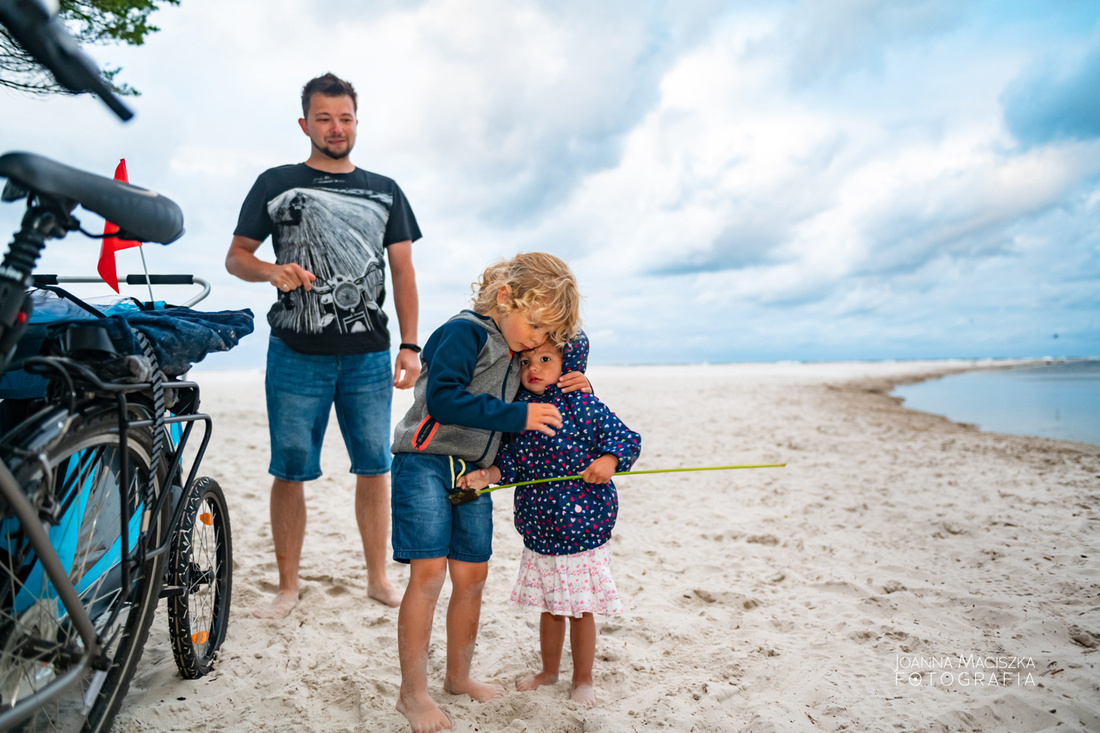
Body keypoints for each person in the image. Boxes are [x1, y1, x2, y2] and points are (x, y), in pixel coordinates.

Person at [226, 72, 420, 619]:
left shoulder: (385, 189)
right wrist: (270, 271)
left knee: (374, 466)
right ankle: (288, 586)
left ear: (357, 121)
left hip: (367, 356)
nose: (336, 128)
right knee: (289, 468)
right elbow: (236, 256)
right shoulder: (276, 181)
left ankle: (378, 578)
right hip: (294, 353)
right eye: (324, 118)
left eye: (345, 118)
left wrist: (410, 344)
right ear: (305, 123)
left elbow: (403, 271)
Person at [389, 252, 588, 733]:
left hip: (474, 471)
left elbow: (570, 344)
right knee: (429, 574)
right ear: (504, 296)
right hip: (425, 461)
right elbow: (444, 397)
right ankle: (412, 694)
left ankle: (458, 677)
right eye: (535, 325)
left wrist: (580, 378)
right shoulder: (465, 332)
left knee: (473, 576)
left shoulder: (518, 341)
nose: (538, 341)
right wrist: (517, 417)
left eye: (546, 335)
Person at [457, 332, 641, 707]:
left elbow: (626, 439)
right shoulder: (521, 413)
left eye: (545, 360)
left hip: (582, 532)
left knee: (579, 610)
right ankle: (550, 671)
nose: (533, 369)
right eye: (525, 362)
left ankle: (584, 679)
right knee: (550, 608)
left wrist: (608, 462)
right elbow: (512, 463)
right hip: (541, 532)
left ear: (567, 365)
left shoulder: (582, 405)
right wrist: (488, 475)